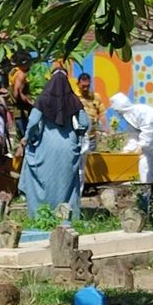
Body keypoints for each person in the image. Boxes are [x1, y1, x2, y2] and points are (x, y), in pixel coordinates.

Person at [18, 68, 89, 219]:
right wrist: (77, 134)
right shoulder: (74, 100)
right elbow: (84, 123)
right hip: (69, 147)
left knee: (41, 178)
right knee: (68, 182)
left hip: (46, 146)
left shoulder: (42, 100)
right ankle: (67, 215)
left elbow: (32, 123)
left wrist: (28, 138)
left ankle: (40, 214)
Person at [110, 93, 153, 185]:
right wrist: (126, 150)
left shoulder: (142, 111)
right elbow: (133, 136)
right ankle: (149, 196)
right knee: (144, 173)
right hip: (147, 148)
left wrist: (141, 145)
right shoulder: (128, 116)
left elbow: (148, 129)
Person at [76, 73, 106, 191]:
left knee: (91, 160)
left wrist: (106, 128)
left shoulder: (95, 96)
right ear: (78, 84)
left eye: (87, 86)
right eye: (83, 86)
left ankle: (90, 184)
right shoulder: (74, 97)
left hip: (92, 135)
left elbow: (102, 113)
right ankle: (80, 186)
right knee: (80, 161)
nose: (85, 88)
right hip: (79, 136)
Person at [7, 51, 33, 138]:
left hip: (17, 110)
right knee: (27, 136)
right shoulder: (20, 75)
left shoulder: (13, 71)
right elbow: (17, 93)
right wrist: (29, 102)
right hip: (22, 110)